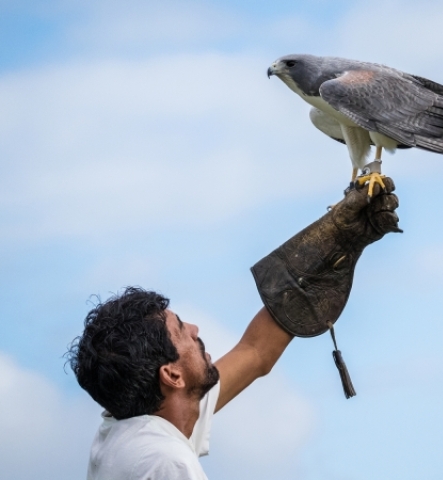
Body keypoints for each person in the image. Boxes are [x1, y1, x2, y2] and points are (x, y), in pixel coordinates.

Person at [67, 178, 401, 479]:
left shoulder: (131, 427)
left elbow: (256, 352)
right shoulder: (166, 463)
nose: (195, 329)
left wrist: (339, 243)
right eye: (181, 330)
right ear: (171, 375)